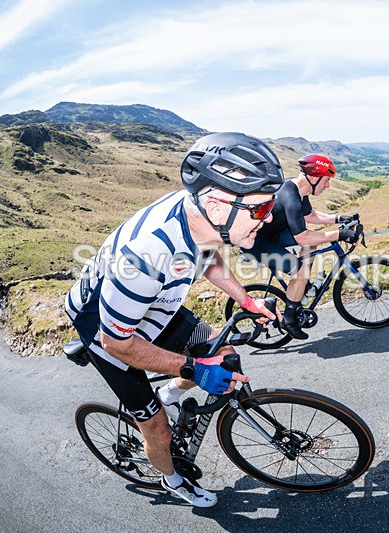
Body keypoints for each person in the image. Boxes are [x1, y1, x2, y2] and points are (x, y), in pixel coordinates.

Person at [64, 132, 283, 508]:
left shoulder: (203, 216)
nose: (268, 218)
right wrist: (194, 369)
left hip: (154, 304)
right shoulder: (145, 255)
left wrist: (245, 299)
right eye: (260, 209)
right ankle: (172, 481)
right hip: (108, 331)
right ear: (217, 206)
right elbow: (118, 342)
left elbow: (208, 256)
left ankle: (171, 392)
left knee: (222, 351)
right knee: (159, 430)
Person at [241, 153, 360, 340]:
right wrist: (339, 234)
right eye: (326, 180)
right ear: (313, 177)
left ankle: (301, 289)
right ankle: (289, 319)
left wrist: (339, 218)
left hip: (273, 234)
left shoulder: (298, 190)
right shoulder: (290, 196)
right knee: (300, 271)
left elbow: (310, 216)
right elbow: (302, 237)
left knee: (311, 246)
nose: (328, 185)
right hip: (257, 243)